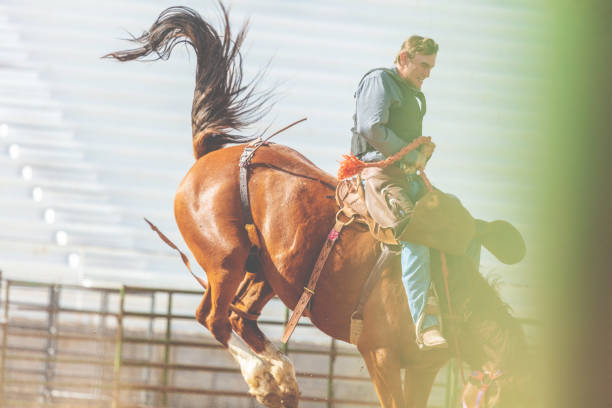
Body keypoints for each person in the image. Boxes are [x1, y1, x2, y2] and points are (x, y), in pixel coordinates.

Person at [350, 35, 449, 349]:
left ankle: (456, 310)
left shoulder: (412, 93)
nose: (428, 73)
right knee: (415, 235)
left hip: (405, 176)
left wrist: (421, 155)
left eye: (431, 67)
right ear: (404, 58)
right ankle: (425, 324)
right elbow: (371, 128)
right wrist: (411, 154)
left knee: (455, 220)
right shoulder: (380, 81)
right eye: (423, 65)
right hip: (378, 174)